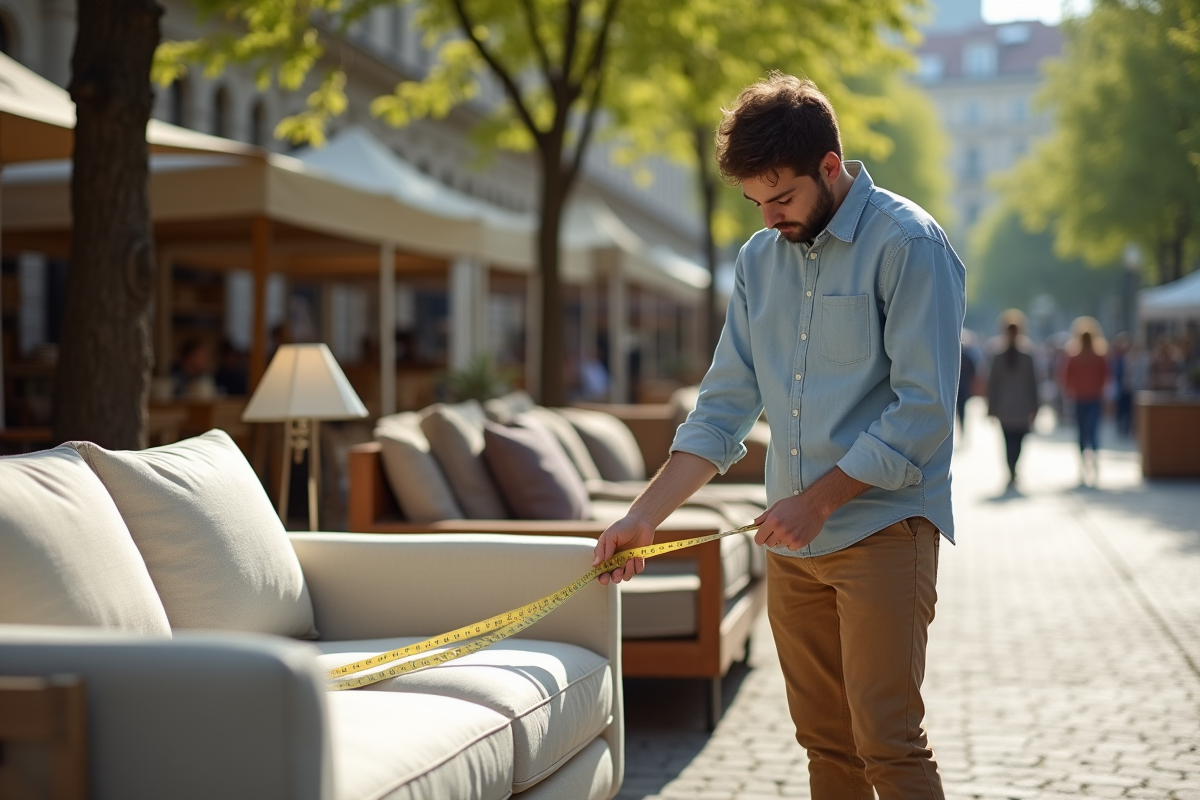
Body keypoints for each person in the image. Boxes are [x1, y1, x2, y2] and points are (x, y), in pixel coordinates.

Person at [593, 74, 964, 799]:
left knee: (888, 744)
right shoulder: (759, 262)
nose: (768, 218)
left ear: (831, 167)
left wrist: (820, 501)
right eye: (755, 202)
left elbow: (924, 410)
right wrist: (642, 518)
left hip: (884, 532)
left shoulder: (909, 244)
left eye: (782, 198)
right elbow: (724, 407)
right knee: (826, 746)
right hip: (793, 549)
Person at [986, 311, 1039, 489]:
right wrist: (991, 407)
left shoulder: (1026, 356)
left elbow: (1033, 383)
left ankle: (1013, 469)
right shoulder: (999, 357)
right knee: (1010, 441)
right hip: (1008, 407)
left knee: (1017, 441)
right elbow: (993, 384)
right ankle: (1012, 471)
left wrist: (1036, 406)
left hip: (1017, 407)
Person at [1061, 319, 1109, 486]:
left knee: (1086, 431)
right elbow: (1105, 378)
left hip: (1086, 398)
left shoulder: (1083, 357)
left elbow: (1067, 379)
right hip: (1087, 398)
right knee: (1089, 431)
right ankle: (1089, 462)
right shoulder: (1091, 357)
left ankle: (1087, 463)